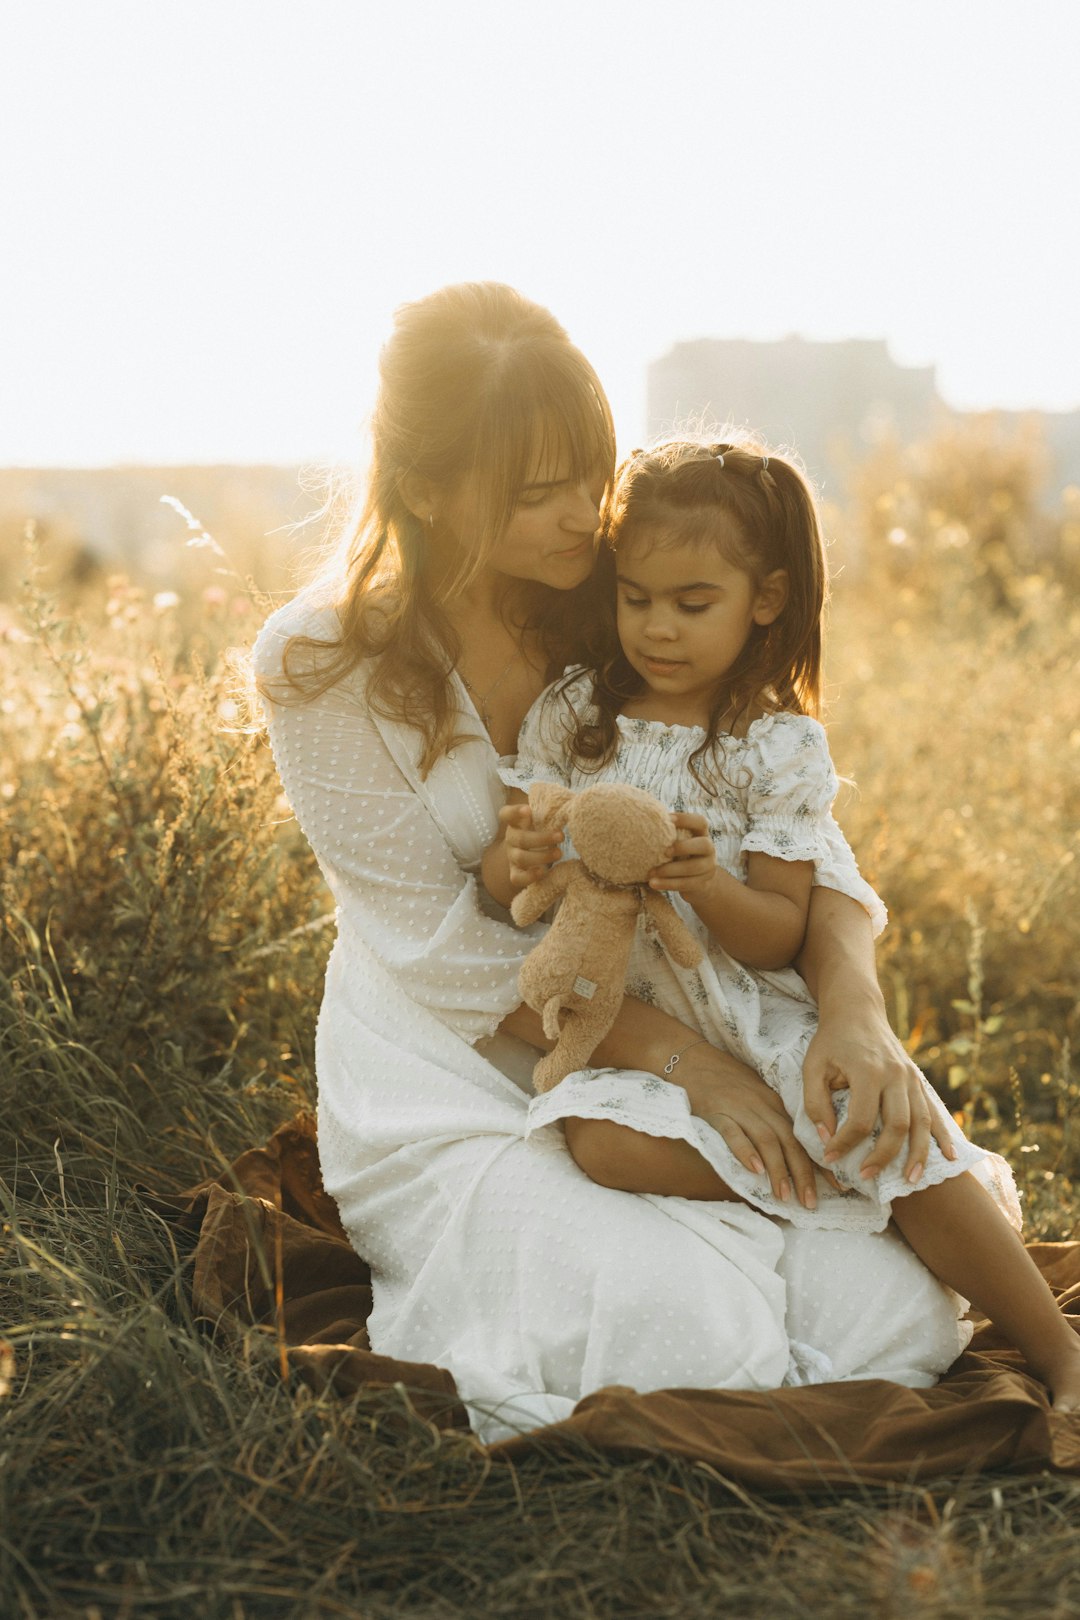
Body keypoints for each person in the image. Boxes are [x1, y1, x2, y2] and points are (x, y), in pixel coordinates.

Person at [253, 282, 999, 1442]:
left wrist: (856, 1014)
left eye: (587, 476)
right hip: (461, 1050)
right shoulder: (318, 661)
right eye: (534, 493)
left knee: (893, 1322)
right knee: (690, 1332)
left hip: (678, 997)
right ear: (427, 489)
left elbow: (801, 828)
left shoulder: (619, 590)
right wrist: (689, 1068)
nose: (577, 519)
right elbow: (434, 951)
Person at [482, 435, 1080, 1410]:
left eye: (692, 603)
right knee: (600, 1145)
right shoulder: (573, 714)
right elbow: (510, 865)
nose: (657, 629)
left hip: (757, 1014)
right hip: (636, 1024)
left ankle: (1058, 1352)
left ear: (762, 598)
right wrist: (512, 857)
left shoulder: (776, 744)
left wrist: (707, 883)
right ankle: (835, 1184)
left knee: (897, 1139)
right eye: (636, 597)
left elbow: (777, 932)